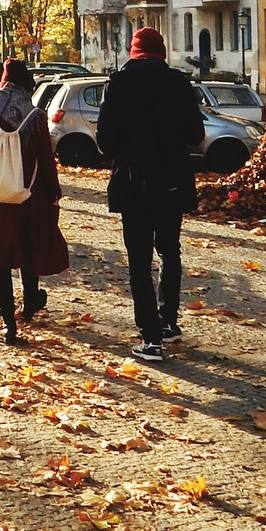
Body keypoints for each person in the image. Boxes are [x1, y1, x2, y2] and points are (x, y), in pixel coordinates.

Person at [95, 26, 204, 363]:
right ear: (162, 51)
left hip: (134, 183)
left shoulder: (119, 84)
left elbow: (105, 142)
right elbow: (195, 135)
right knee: (170, 251)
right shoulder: (179, 83)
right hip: (172, 182)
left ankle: (151, 338)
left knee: (139, 261)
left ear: (133, 51)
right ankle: (168, 321)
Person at [0, 56, 69, 344]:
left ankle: (8, 322)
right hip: (28, 196)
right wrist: (52, 192)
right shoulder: (35, 117)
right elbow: (46, 162)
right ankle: (30, 301)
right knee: (27, 249)